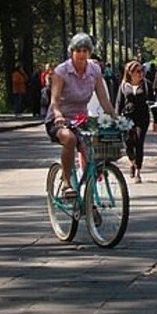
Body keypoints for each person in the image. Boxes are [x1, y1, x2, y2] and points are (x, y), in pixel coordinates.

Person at [45, 33, 116, 199]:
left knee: (92, 148)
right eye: (78, 50)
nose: (82, 54)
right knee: (70, 139)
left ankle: (90, 199)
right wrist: (58, 115)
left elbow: (103, 99)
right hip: (59, 119)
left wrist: (115, 117)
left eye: (85, 50)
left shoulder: (95, 70)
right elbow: (54, 101)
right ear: (72, 52)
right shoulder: (61, 72)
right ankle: (66, 182)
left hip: (81, 119)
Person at [116, 61, 157, 183]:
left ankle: (138, 171)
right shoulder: (124, 85)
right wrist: (117, 118)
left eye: (141, 71)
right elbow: (119, 103)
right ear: (130, 73)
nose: (140, 74)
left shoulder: (146, 85)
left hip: (142, 117)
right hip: (127, 117)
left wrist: (155, 120)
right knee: (128, 142)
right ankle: (132, 162)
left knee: (139, 142)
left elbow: (152, 103)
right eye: (137, 71)